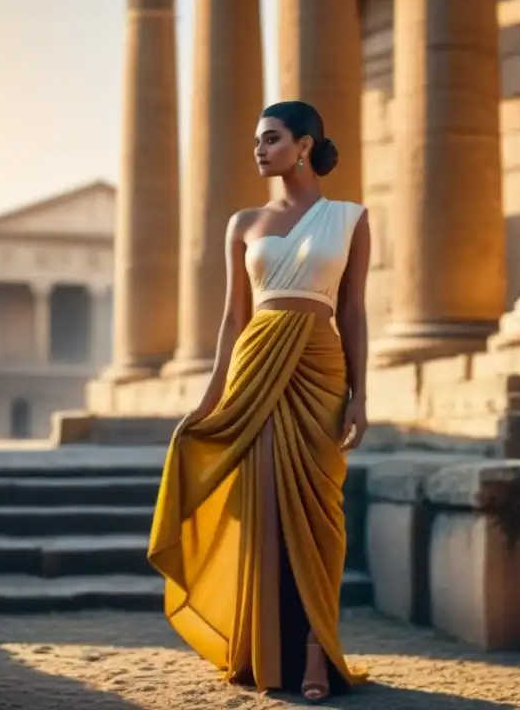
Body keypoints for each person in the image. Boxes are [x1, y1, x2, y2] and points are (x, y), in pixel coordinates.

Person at [148, 100, 370, 703]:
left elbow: (352, 311)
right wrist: (209, 397)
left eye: (271, 139)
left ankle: (317, 652)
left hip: (321, 372)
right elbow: (231, 319)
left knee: (322, 519)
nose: (259, 149)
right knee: (265, 511)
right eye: (256, 140)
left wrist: (360, 395)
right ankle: (263, 650)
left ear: (305, 145)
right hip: (256, 370)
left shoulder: (350, 218)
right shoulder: (243, 222)